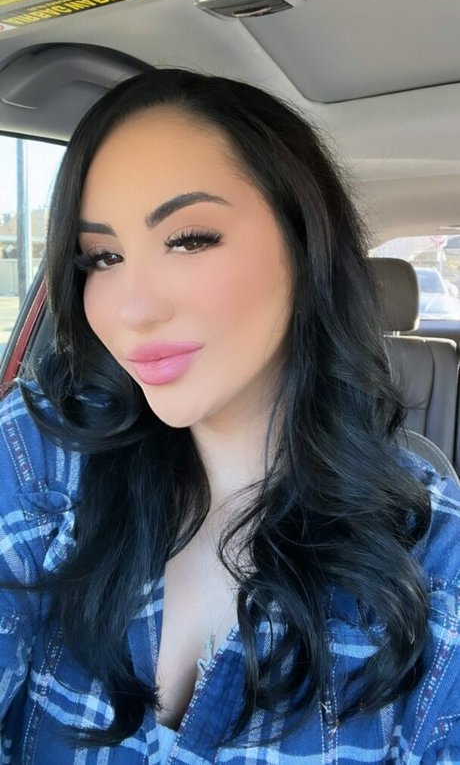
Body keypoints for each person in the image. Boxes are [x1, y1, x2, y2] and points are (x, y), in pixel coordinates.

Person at [0, 68, 459, 764]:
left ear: (304, 244)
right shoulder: (46, 453)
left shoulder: (434, 572)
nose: (132, 309)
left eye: (189, 239)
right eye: (102, 257)